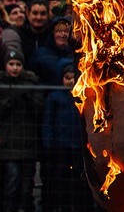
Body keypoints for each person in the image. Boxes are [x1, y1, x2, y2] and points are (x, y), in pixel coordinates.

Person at [0, 49, 42, 212]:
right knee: (12, 181)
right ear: (5, 65)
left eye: (18, 64)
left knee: (27, 184)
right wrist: (8, 103)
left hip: (28, 142)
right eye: (11, 64)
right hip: (7, 143)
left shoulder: (32, 83)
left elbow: (40, 109)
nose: (14, 68)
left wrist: (29, 100)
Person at [42, 62, 92, 212]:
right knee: (60, 180)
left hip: (78, 146)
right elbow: (48, 121)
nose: (70, 81)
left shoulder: (81, 97)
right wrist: (48, 143)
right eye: (67, 77)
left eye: (73, 78)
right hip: (60, 146)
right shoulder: (55, 97)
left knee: (77, 180)